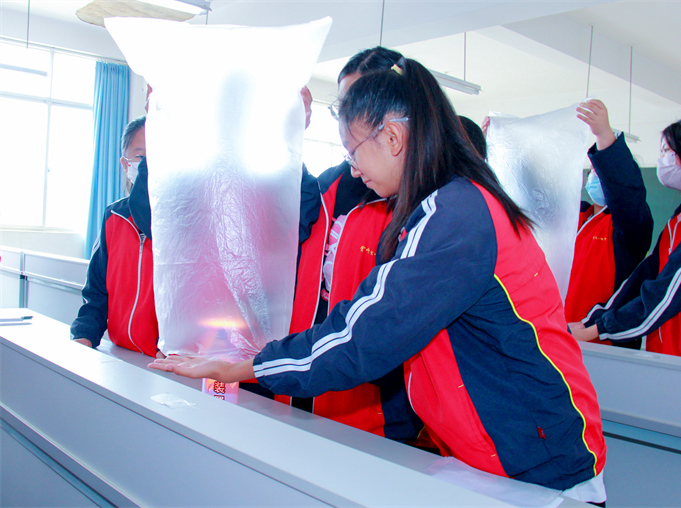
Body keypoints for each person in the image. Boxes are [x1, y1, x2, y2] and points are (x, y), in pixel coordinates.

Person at [150, 56, 607, 502]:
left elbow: (365, 333)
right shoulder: (451, 205)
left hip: (540, 462)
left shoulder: (455, 214)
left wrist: (240, 368)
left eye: (353, 152)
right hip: (502, 451)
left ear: (392, 137)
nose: (353, 169)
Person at [272, 47, 424, 443]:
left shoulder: (417, 204)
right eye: (343, 104)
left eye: (361, 100)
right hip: (307, 378)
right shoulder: (329, 186)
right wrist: (289, 136)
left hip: (376, 405)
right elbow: (279, 220)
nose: (349, 114)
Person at [571, 117, 681, 359]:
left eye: (668, 151)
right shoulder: (678, 220)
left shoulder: (627, 224)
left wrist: (600, 327)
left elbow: (668, 291)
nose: (663, 160)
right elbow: (643, 278)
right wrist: (593, 322)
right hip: (666, 356)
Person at [565, 100, 654, 349]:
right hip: (558, 334)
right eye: (594, 171)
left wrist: (604, 136)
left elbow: (626, 194)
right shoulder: (574, 216)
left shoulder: (629, 226)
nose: (597, 176)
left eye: (602, 172)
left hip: (601, 340)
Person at [71, 116, 162, 358]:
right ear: (125, 163)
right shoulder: (113, 216)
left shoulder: (180, 221)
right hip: (121, 353)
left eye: (156, 156)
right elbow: (96, 291)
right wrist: (85, 335)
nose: (147, 165)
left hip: (165, 361)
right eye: (140, 156)